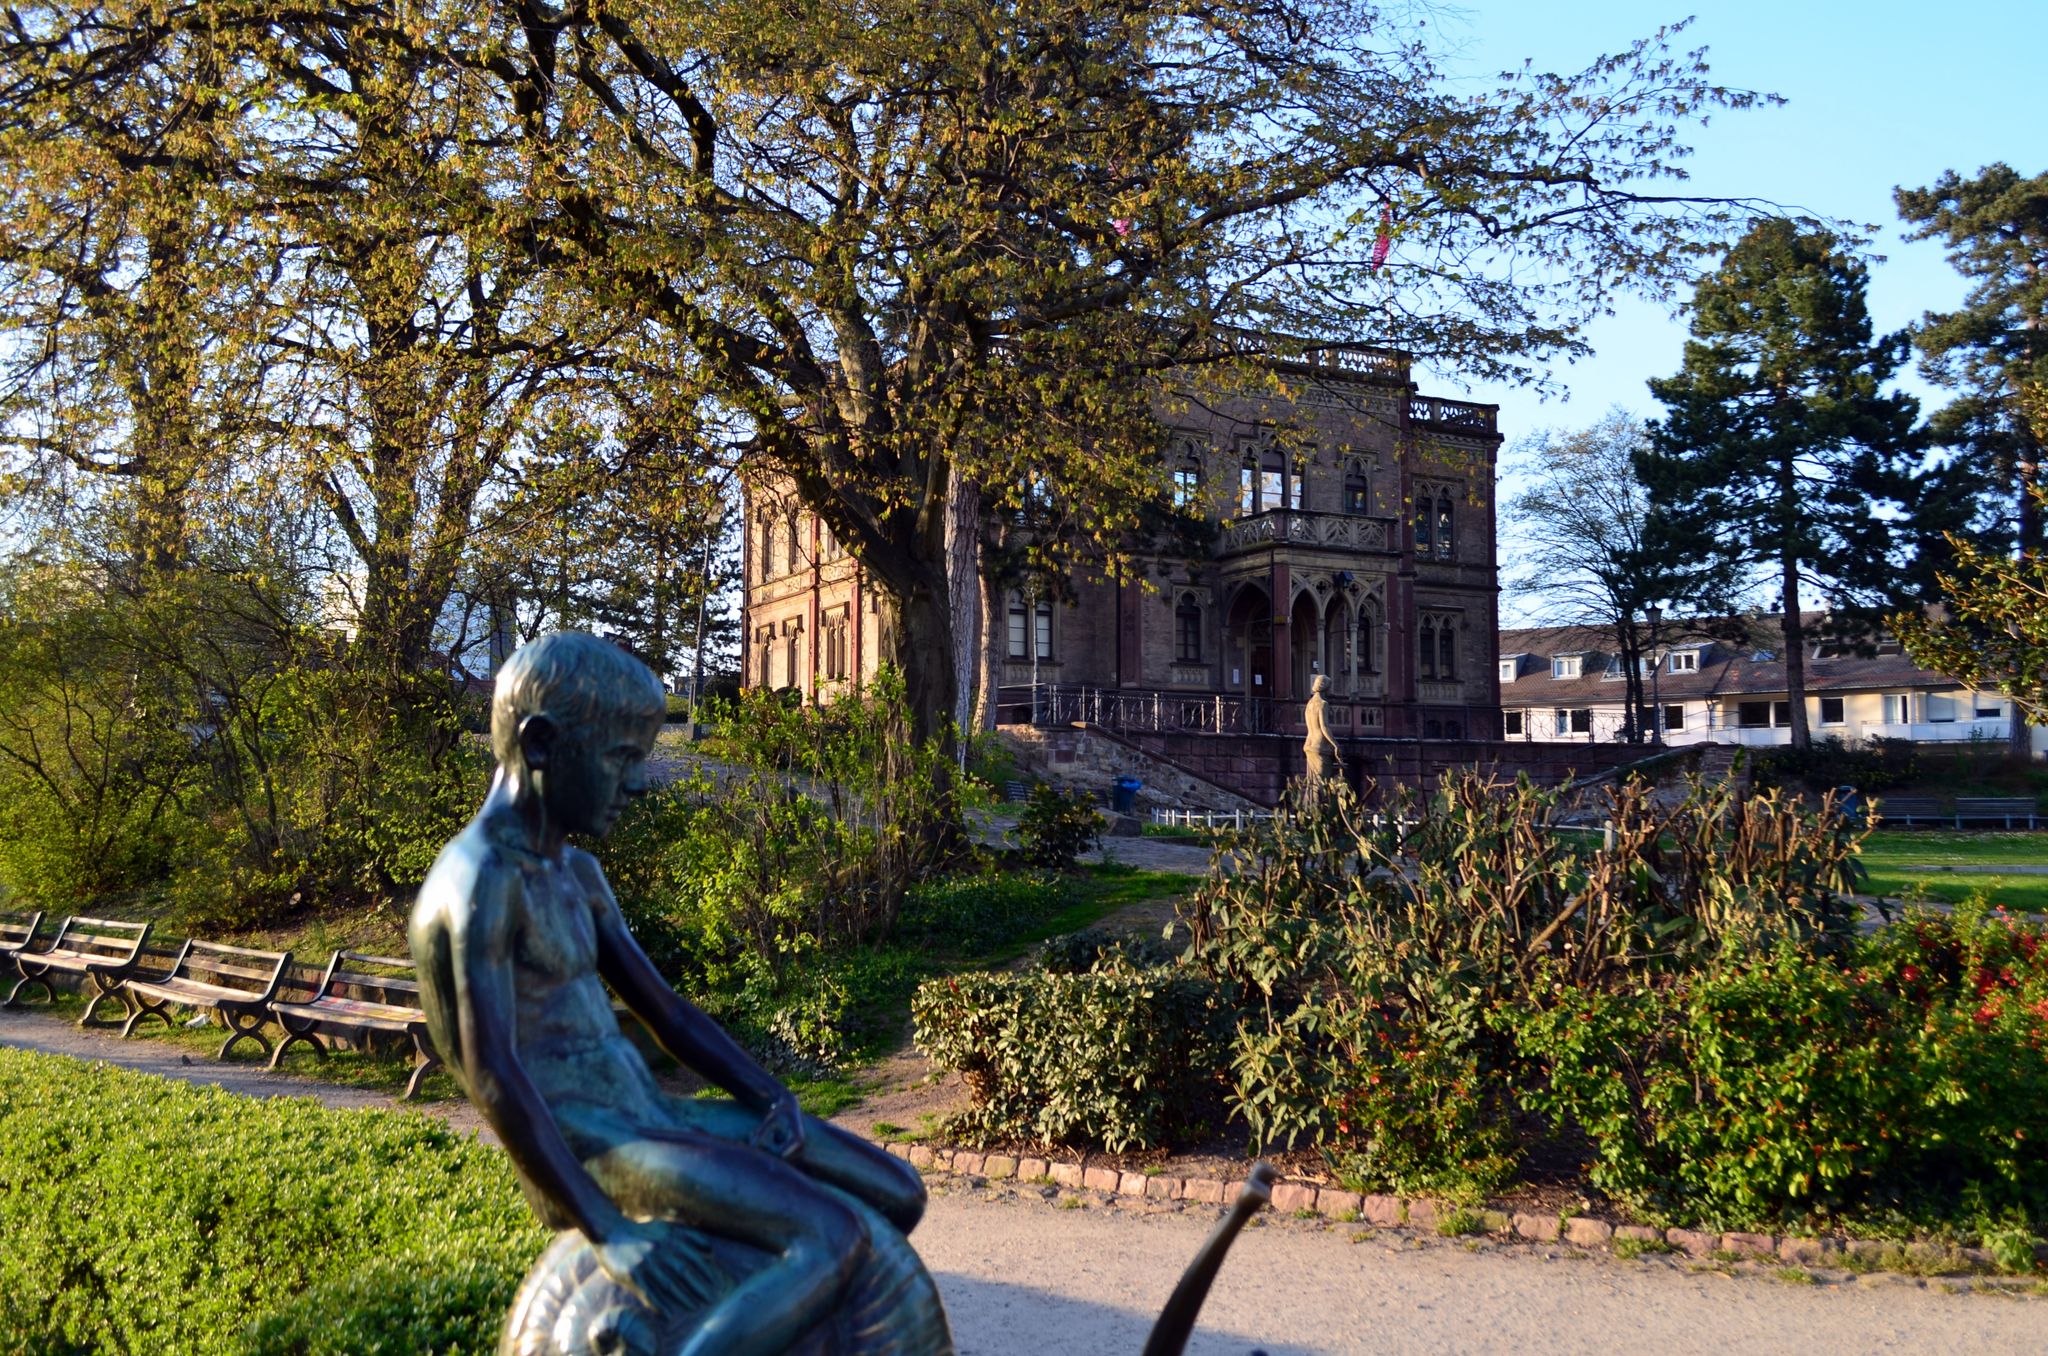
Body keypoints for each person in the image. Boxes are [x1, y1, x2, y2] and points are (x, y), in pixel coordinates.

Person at [410, 632, 925, 1356]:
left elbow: (670, 1014)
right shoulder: (479, 882)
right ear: (543, 744)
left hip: (651, 1116)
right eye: (622, 758)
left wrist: (773, 1096)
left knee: (899, 1191)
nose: (640, 783)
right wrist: (610, 1228)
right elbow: (495, 1074)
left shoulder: (577, 874)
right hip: (593, 1149)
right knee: (830, 1237)